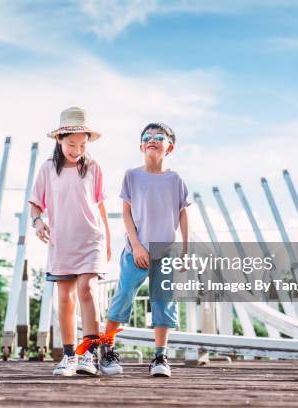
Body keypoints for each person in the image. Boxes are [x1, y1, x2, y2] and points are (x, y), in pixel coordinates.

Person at [100, 122, 190, 377]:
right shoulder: (132, 175)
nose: (153, 139)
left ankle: (160, 357)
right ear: (141, 145)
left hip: (166, 251)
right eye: (147, 137)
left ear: (169, 147)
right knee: (124, 294)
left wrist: (185, 250)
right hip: (135, 251)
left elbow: (183, 215)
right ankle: (107, 351)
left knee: (164, 302)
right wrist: (137, 246)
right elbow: (126, 213)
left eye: (159, 137)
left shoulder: (175, 180)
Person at [29, 106, 112, 376]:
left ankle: (89, 355)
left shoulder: (93, 168)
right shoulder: (47, 170)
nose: (77, 150)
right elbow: (35, 206)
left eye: (83, 145)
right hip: (61, 242)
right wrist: (38, 222)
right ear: (59, 140)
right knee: (65, 299)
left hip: (91, 239)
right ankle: (68, 356)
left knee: (87, 290)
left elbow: (100, 207)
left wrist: (109, 240)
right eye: (72, 144)